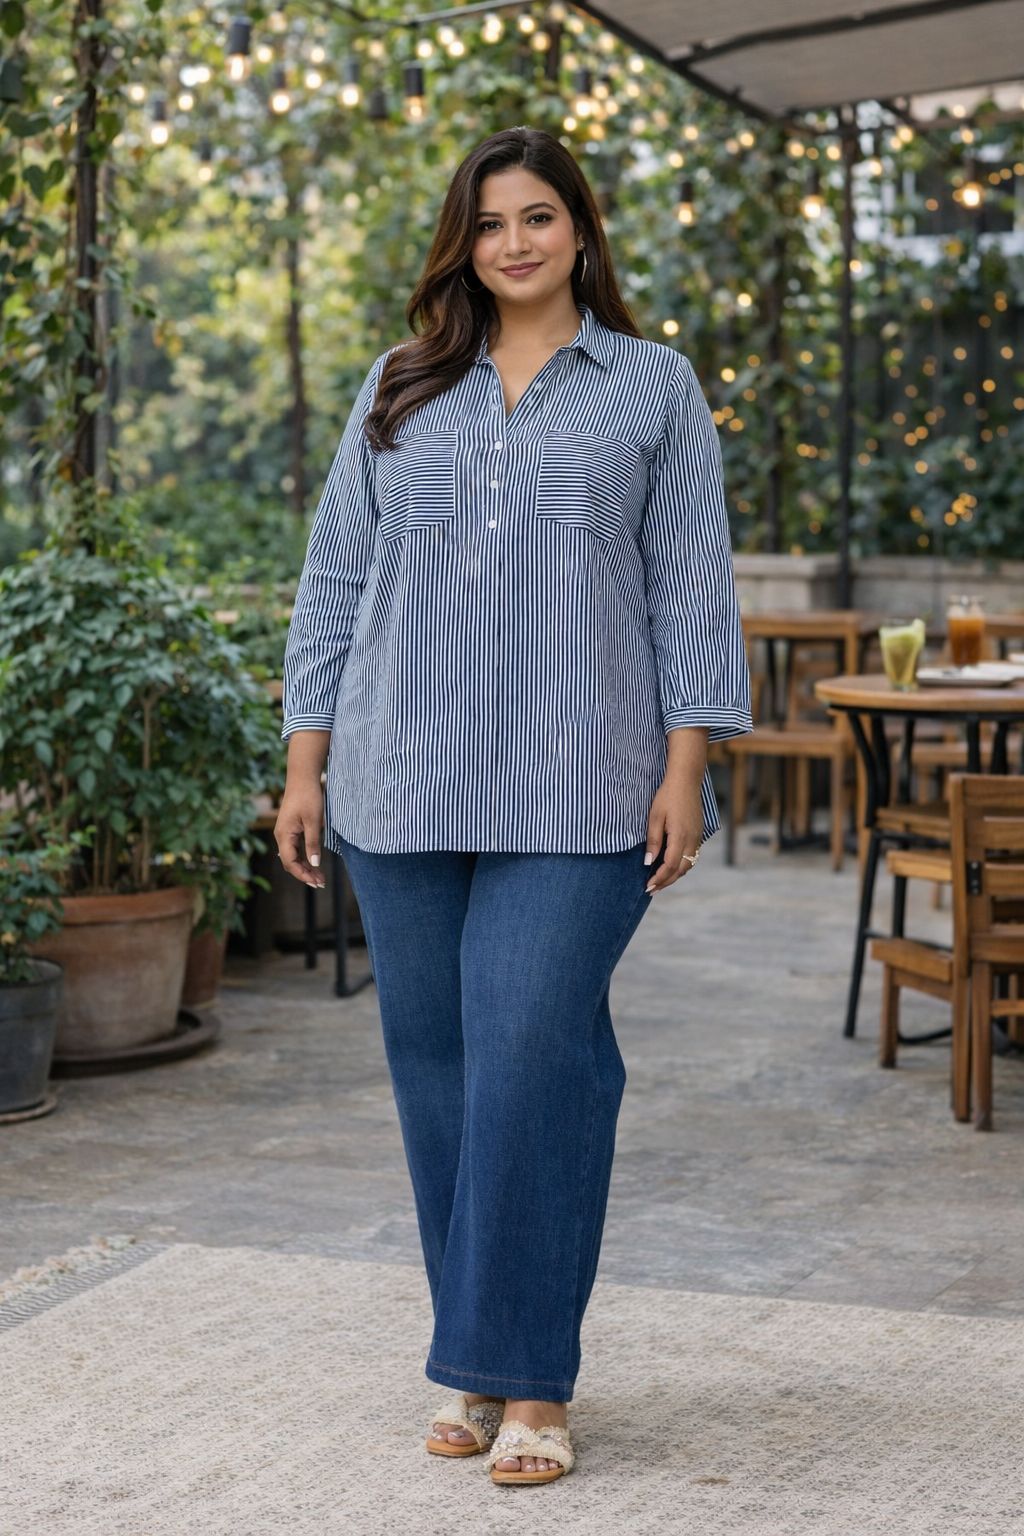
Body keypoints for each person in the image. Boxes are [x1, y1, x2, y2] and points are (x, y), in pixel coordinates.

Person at [275, 125, 753, 1489]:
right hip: (399, 776)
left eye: (539, 216)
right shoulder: (402, 384)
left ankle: (532, 1379)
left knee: (536, 1051)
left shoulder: (652, 387)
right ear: (464, 246)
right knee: (439, 1073)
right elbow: (334, 586)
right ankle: (479, 1359)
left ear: (582, 232)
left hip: (585, 786)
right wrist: (305, 764)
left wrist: (688, 763)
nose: (516, 243)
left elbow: (690, 587)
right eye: (490, 224)